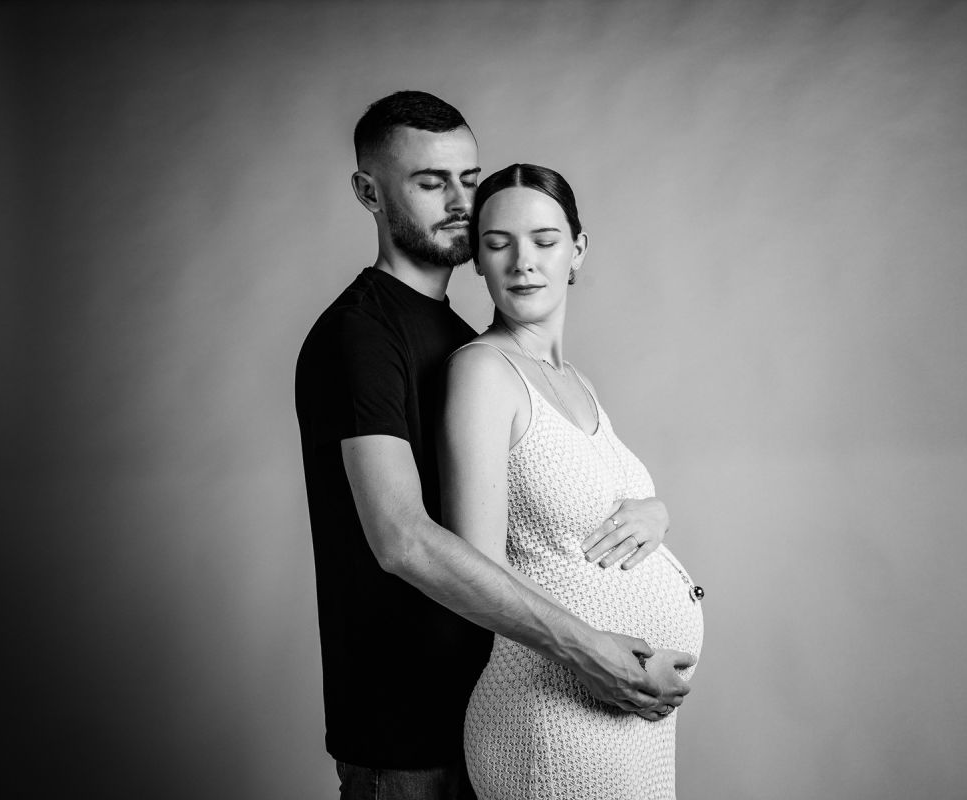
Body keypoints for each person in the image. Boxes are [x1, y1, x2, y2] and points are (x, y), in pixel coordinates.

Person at [295, 91, 692, 800]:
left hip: (493, 704)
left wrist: (652, 513)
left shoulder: (466, 339)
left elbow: (539, 511)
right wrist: (588, 650)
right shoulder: (361, 335)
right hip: (405, 734)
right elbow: (403, 541)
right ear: (369, 193)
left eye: (468, 180)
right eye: (430, 182)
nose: (460, 203)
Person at [440, 163, 705, 800]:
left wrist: (657, 512)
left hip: (623, 718)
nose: (523, 262)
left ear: (577, 250)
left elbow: (582, 508)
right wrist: (598, 654)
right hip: (553, 712)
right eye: (498, 244)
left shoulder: (576, 381)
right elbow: (475, 568)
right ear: (477, 259)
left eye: (544, 240)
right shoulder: (483, 373)